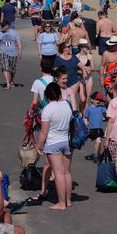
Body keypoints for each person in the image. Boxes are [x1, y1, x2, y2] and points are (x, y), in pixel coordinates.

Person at [34, 82, 74, 211]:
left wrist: (38, 145)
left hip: (53, 142)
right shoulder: (68, 105)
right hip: (67, 141)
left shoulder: (48, 109)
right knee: (67, 172)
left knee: (58, 173)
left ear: (47, 95)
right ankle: (68, 200)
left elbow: (44, 132)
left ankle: (61, 203)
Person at [54, 42, 86, 108]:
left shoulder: (73, 57)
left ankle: (79, 113)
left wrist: (84, 72)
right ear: (63, 49)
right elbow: (55, 71)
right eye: (68, 47)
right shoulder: (58, 59)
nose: (70, 48)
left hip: (74, 80)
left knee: (77, 99)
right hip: (63, 82)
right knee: (68, 100)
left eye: (70, 46)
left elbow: (81, 65)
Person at [0, 21, 22, 90]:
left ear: (7, 26)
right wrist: (0, 52)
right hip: (4, 53)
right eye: (1, 26)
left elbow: (19, 42)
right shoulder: (0, 34)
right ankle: (8, 84)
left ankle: (11, 81)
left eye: (3, 26)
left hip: (13, 53)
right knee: (5, 68)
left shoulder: (14, 32)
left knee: (12, 69)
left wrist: (20, 52)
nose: (2, 28)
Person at [83, 92, 107, 162]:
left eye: (99, 100)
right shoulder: (89, 109)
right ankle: (96, 155)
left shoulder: (102, 108)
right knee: (98, 141)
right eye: (96, 99)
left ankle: (97, 155)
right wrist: (86, 125)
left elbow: (106, 114)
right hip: (91, 129)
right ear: (92, 100)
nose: (98, 101)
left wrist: (105, 117)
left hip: (99, 129)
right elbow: (85, 118)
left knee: (99, 141)